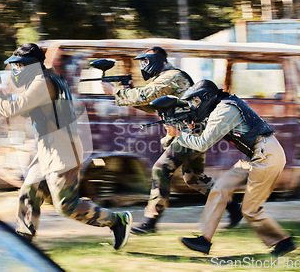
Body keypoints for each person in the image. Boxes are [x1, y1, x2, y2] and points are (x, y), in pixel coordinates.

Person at [0, 43, 132, 250]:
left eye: (18, 66)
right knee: (29, 191)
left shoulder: (43, 82)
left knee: (66, 206)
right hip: (48, 149)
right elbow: (26, 110)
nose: (15, 71)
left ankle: (117, 221)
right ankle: (24, 239)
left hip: (62, 151)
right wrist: (0, 97)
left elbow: (16, 108)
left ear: (30, 66)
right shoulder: (45, 79)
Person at [102, 46, 242, 235]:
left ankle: (150, 222)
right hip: (191, 132)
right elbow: (151, 106)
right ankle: (234, 208)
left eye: (146, 61)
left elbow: (146, 95)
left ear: (159, 61)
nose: (144, 66)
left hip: (188, 133)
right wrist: (126, 92)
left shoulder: (172, 76)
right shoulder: (164, 79)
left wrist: (116, 92)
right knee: (195, 179)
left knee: (161, 169)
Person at [173, 79, 296, 256]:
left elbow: (203, 143)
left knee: (250, 210)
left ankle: (284, 242)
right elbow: (208, 131)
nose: (193, 106)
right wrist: (191, 128)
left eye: (196, 101)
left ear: (206, 98)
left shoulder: (225, 109)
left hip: (267, 155)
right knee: (220, 189)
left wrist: (180, 135)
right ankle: (204, 240)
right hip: (257, 154)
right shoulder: (221, 106)